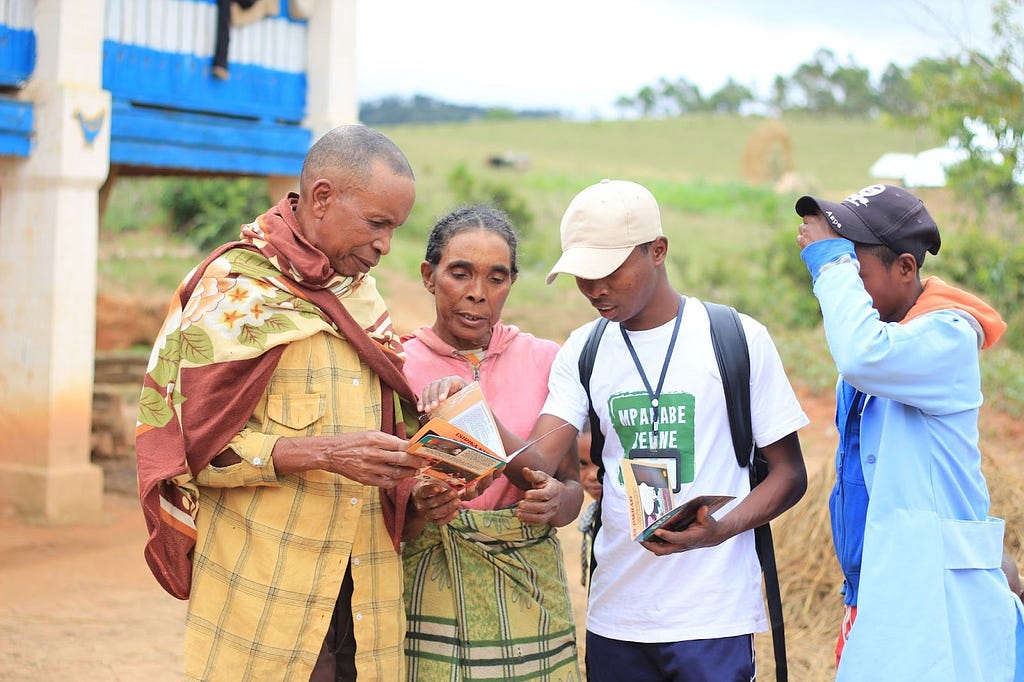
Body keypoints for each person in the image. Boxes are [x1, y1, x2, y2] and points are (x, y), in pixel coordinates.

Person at [419, 179, 809, 681]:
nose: (595, 289)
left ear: (658, 251)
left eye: (609, 271)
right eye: (583, 274)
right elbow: (536, 466)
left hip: (711, 615)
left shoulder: (734, 338)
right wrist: (473, 413)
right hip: (617, 616)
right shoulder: (585, 350)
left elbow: (789, 475)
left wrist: (720, 531)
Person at [135, 124, 430, 681]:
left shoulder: (358, 292)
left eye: (395, 229)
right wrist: (324, 454)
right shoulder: (235, 291)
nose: (386, 244)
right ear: (322, 197)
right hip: (268, 594)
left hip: (365, 588)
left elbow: (391, 412)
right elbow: (191, 449)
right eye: (377, 223)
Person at [795, 183, 1024, 680]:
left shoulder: (945, 336)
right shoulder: (893, 341)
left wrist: (831, 263)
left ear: (905, 268)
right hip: (877, 589)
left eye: (858, 272)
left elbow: (859, 354)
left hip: (931, 604)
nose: (849, 289)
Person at [399, 205, 582, 680]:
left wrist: (557, 502)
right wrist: (421, 506)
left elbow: (570, 488)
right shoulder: (394, 365)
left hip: (529, 590)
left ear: (511, 283)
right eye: (460, 273)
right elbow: (385, 506)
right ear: (429, 275)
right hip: (430, 581)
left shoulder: (547, 360)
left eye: (496, 278)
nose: (478, 294)